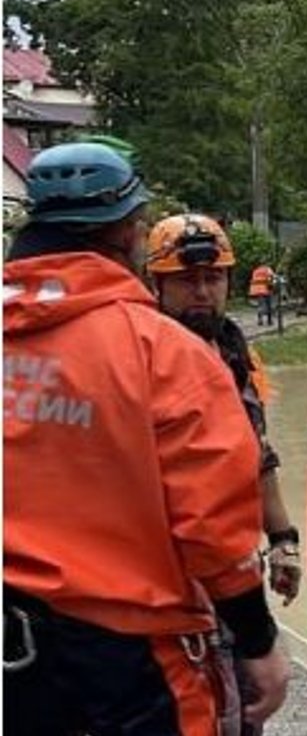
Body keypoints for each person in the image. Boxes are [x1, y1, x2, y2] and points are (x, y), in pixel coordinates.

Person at [2, 141, 290, 734]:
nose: (203, 290)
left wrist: (282, 536)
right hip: (126, 658)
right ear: (130, 232)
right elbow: (212, 521)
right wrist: (258, 640)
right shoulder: (160, 353)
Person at [145, 213, 304, 734]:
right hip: (162, 583)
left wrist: (282, 538)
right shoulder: (140, 356)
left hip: (229, 577)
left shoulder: (233, 351)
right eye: (188, 281)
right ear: (157, 284)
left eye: (213, 279)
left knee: (243, 713)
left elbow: (255, 452)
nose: (203, 292)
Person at [249, 261, 277, 326]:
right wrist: (273, 285)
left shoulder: (255, 271)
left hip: (257, 290)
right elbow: (271, 278)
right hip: (266, 289)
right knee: (269, 305)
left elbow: (253, 280)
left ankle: (260, 320)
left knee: (260, 305)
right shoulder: (267, 269)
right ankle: (269, 321)